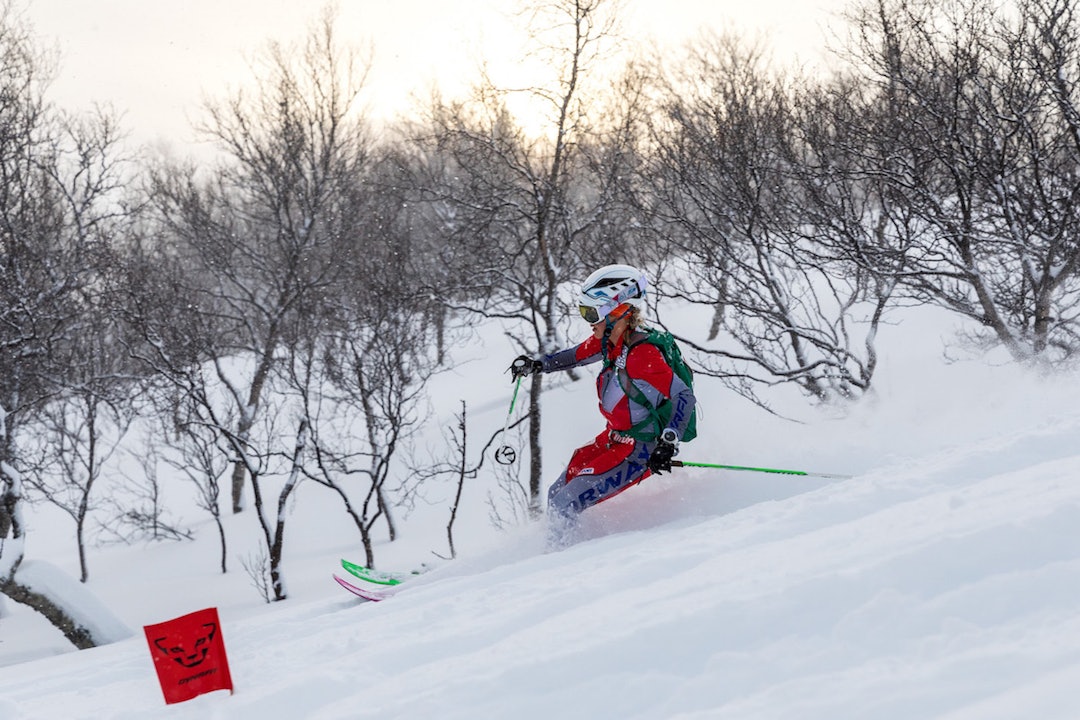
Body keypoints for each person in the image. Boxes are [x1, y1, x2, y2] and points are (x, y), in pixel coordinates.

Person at [509, 264, 697, 543]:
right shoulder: (611, 340)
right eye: (584, 311)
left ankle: (559, 566)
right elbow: (575, 355)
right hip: (612, 440)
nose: (588, 321)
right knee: (555, 493)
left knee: (565, 504)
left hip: (638, 451)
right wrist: (538, 365)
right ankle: (559, 549)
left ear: (619, 310)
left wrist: (667, 443)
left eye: (591, 312)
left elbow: (684, 396)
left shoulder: (641, 353)